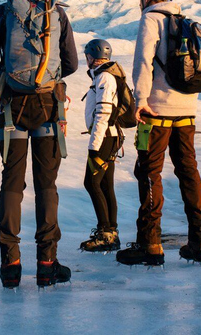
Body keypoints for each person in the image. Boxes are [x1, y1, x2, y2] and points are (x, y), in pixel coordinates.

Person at [0, 0, 78, 288]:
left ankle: (11, 263)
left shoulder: (3, 12)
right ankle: (47, 263)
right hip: (49, 107)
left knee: (12, 184)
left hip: (13, 109)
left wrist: (8, 73)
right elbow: (73, 63)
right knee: (46, 186)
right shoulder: (57, 14)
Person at [116, 0, 201, 266]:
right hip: (187, 111)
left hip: (155, 113)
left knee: (149, 173)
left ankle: (151, 244)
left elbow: (143, 63)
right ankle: (200, 241)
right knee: (188, 172)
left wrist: (140, 102)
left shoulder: (151, 19)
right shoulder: (183, 21)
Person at [79, 39, 123, 253]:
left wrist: (94, 145)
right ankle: (110, 233)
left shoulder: (105, 77)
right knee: (105, 185)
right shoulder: (105, 75)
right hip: (110, 137)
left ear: (91, 56)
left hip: (104, 138)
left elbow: (103, 112)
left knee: (92, 183)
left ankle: (105, 233)